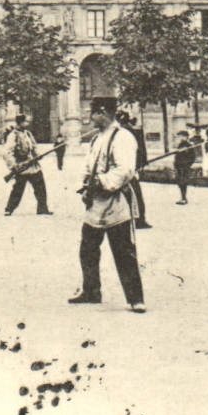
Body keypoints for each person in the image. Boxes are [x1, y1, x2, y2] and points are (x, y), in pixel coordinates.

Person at [69, 97, 144, 312]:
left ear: (102, 112)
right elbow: (89, 166)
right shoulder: (97, 139)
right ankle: (91, 291)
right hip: (96, 203)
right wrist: (86, 185)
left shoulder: (123, 138)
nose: (89, 118)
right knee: (88, 249)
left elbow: (125, 170)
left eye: (92, 113)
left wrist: (101, 182)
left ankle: (136, 298)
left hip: (116, 201)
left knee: (123, 251)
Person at [3, 114, 51, 216]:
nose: (28, 124)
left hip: (33, 166)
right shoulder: (13, 135)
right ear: (20, 122)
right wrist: (14, 166)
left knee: (40, 188)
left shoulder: (28, 134)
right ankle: (9, 209)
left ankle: (42, 208)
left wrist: (37, 155)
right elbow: (7, 152)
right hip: (22, 167)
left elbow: (34, 147)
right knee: (18, 190)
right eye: (26, 122)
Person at [117, 110, 151, 229]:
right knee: (135, 194)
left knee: (131, 194)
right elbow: (141, 150)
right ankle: (138, 219)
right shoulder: (134, 131)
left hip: (126, 168)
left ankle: (136, 219)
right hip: (131, 167)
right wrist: (141, 163)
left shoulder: (123, 133)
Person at [172, 129, 198, 204]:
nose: (180, 138)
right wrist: (175, 164)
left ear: (186, 137)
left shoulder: (189, 146)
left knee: (183, 182)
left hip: (184, 166)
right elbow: (177, 156)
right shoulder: (181, 145)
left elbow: (192, 157)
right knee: (180, 182)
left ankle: (184, 198)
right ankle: (182, 197)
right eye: (179, 137)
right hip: (179, 166)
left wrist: (187, 164)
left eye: (181, 137)